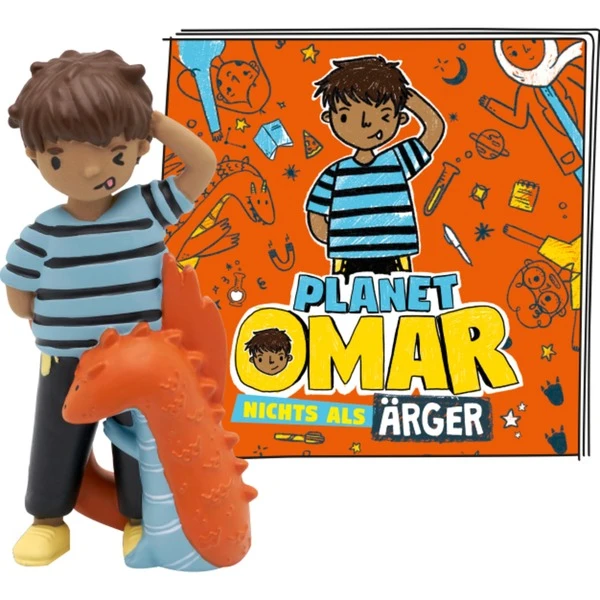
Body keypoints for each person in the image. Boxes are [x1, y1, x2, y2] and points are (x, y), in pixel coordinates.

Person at [2, 50, 216, 566]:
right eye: (60, 157)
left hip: (138, 360)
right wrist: (52, 325)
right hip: (66, 360)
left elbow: (204, 165)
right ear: (34, 156)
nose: (93, 169)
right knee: (56, 438)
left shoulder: (146, 208)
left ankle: (139, 518)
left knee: (138, 440)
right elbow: (18, 298)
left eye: (115, 153)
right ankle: (48, 520)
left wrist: (150, 121)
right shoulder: (41, 233)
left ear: (138, 148)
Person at [305, 55, 445, 281]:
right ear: (328, 117)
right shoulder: (335, 173)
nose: (365, 124)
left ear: (400, 118)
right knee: (345, 298)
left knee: (399, 299)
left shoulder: (397, 161)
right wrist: (336, 238)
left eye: (383, 116)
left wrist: (407, 97)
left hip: (394, 253)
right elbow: (316, 210)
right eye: (346, 116)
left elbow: (434, 128)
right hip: (347, 256)